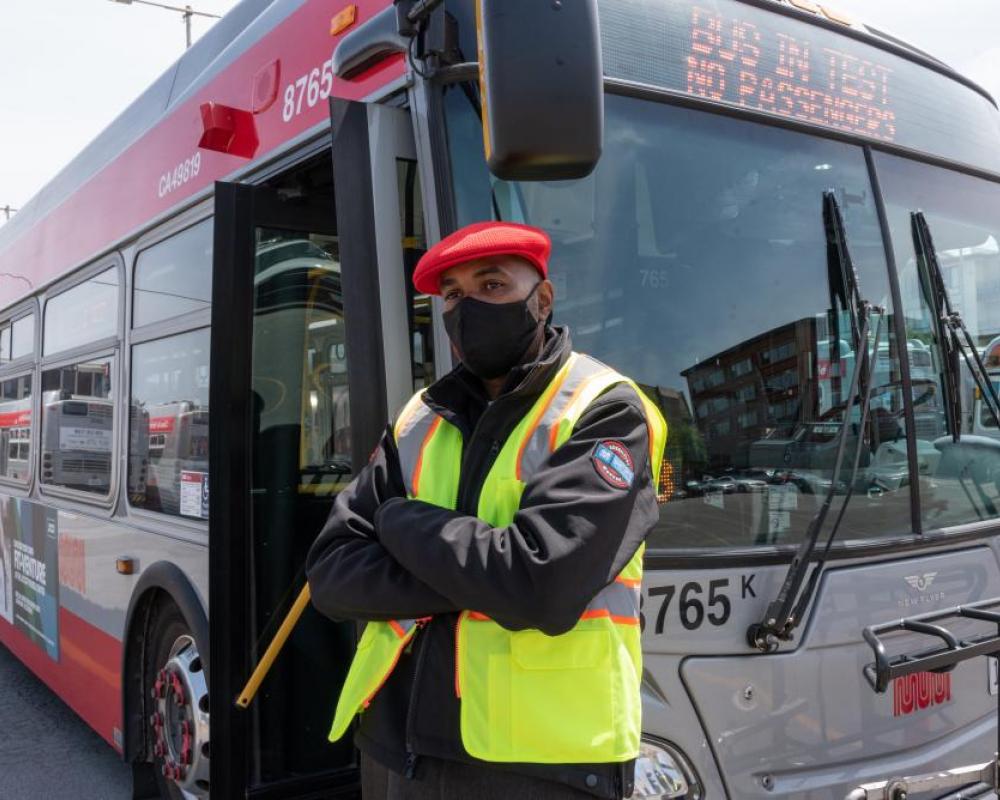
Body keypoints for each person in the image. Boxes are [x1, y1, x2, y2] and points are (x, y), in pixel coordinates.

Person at [306, 221, 666, 800]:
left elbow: (540, 586)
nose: (468, 306)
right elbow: (332, 576)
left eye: (493, 285)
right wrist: (486, 574)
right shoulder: (419, 417)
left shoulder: (604, 408)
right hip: (396, 747)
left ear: (542, 300)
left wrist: (398, 520)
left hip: (541, 765)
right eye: (453, 295)